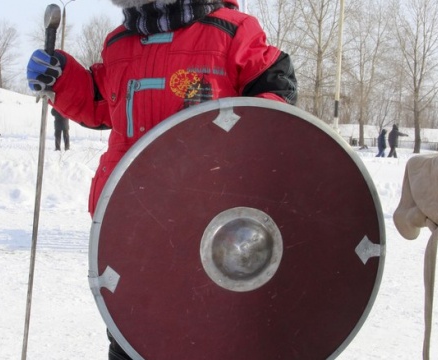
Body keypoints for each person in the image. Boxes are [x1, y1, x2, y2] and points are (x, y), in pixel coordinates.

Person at [27, 1, 297, 359]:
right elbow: (100, 101)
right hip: (130, 226)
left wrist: (246, 136)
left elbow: (273, 96)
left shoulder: (231, 32)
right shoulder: (118, 43)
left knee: (205, 340)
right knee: (131, 338)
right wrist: (62, 78)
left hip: (209, 229)